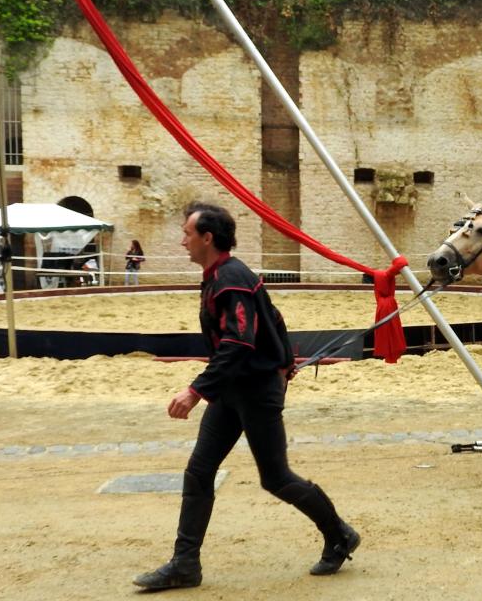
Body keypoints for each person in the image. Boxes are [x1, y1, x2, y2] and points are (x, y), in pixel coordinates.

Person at [134, 202, 359, 591]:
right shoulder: (221, 276)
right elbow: (274, 317)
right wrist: (285, 360)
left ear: (207, 238)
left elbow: (239, 341)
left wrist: (195, 390)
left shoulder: (231, 279)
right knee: (200, 471)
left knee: (276, 478)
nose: (182, 240)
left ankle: (339, 534)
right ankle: (185, 564)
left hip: (254, 392)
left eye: (187, 233)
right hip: (232, 390)